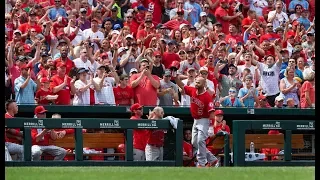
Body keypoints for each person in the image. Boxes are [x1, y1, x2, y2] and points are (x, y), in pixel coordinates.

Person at [175, 75, 218, 167]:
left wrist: (211, 127)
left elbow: (212, 113)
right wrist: (175, 78)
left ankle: (203, 163)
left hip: (204, 120)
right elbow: (182, 86)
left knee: (200, 141)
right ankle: (212, 159)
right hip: (195, 120)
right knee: (194, 142)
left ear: (203, 84)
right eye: (196, 82)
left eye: (198, 82)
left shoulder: (207, 97)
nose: (196, 84)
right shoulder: (193, 90)